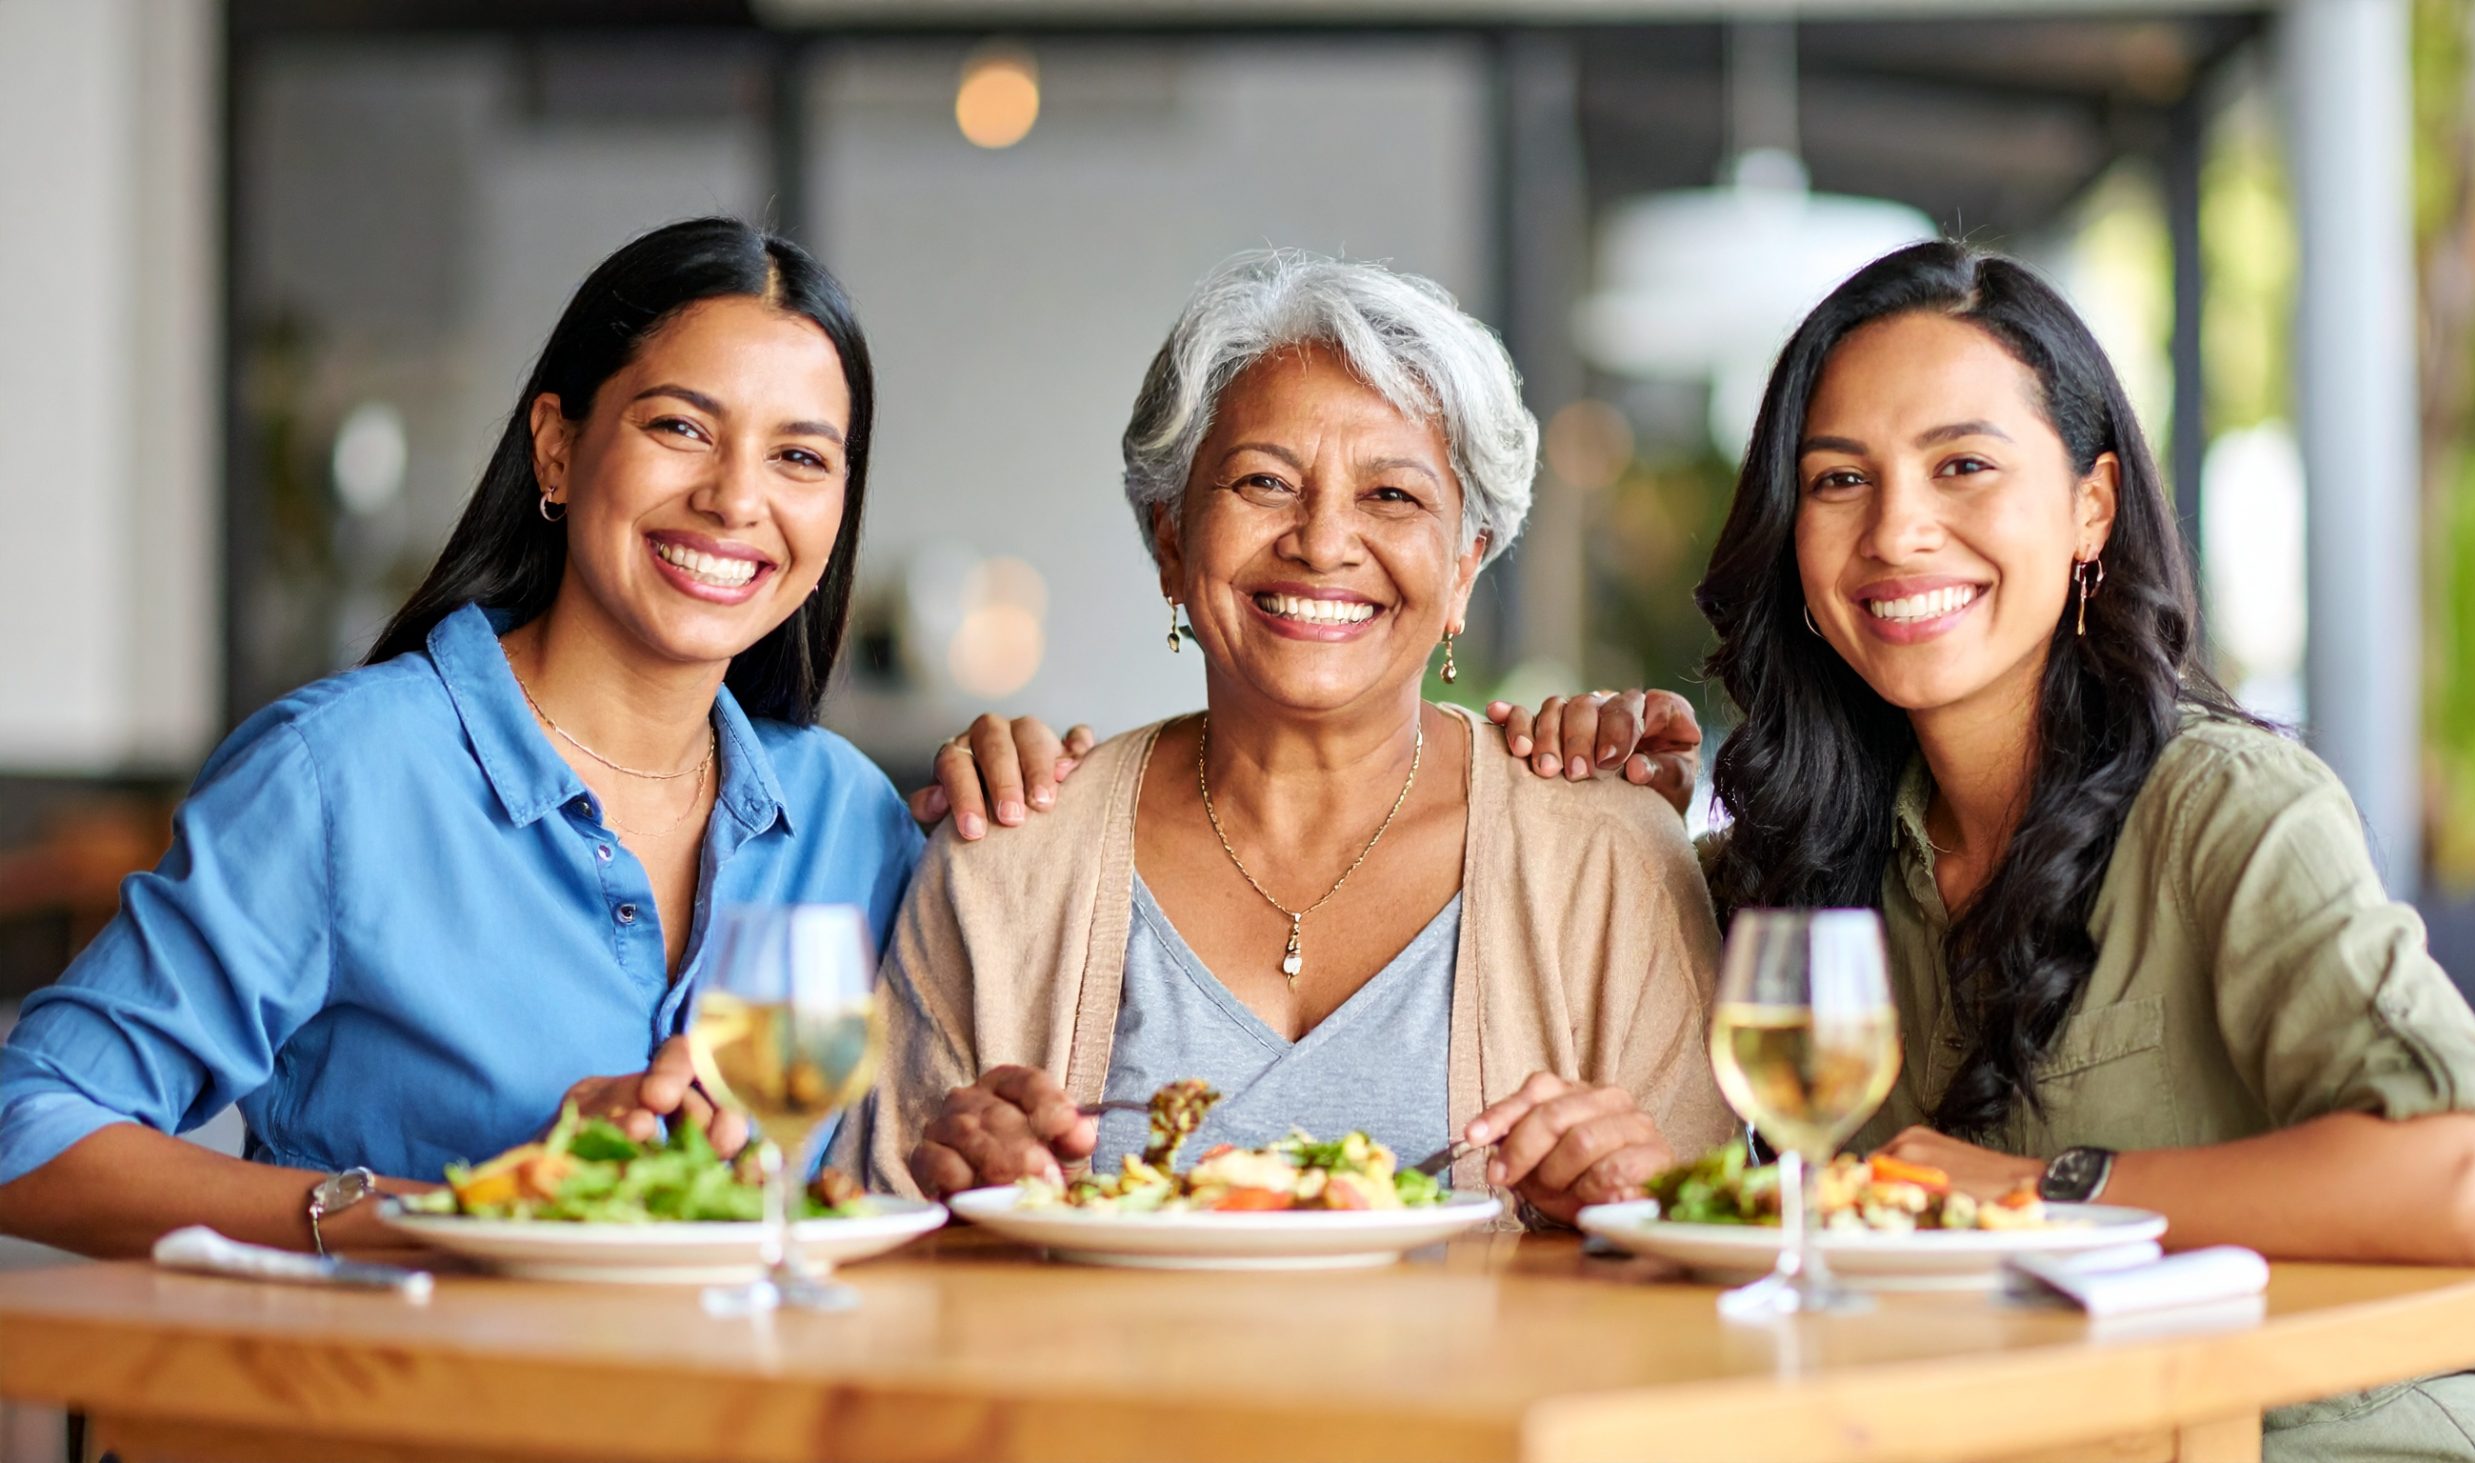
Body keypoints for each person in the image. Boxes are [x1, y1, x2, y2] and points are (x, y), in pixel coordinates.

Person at [1490, 240, 2475, 1458]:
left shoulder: (2226, 805)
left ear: (2090, 505)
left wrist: (2043, 1190)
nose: (1897, 530)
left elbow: (2468, 1179)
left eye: (1964, 466)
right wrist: (1605, 814)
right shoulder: (1805, 861)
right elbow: (1766, 1194)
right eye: (1840, 480)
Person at [0, 217, 921, 1258]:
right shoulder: (344, 771)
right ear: (558, 447)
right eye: (680, 428)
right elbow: (31, 1125)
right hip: (387, 1406)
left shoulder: (851, 818)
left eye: (799, 455)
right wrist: (456, 1211)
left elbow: (917, 1140)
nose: (736, 498)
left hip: (731, 1416)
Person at [868, 250, 1730, 1223]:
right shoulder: (1007, 860)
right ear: (1170, 541)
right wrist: (952, 1198)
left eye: (1391, 496)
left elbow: (1705, 1262)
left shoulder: (1610, 856)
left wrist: (1643, 1199)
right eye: (1263, 482)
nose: (1322, 542)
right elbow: (867, 1242)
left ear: (1462, 569)